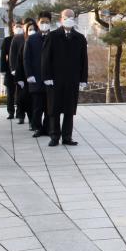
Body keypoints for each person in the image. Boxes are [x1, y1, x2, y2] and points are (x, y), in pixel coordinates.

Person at [41, 9, 88, 147]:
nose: (68, 19)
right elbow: (45, 58)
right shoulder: (53, 36)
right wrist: (46, 76)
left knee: (69, 109)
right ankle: (54, 136)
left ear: (75, 19)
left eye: (71, 17)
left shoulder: (80, 38)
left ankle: (67, 137)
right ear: (61, 19)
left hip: (72, 79)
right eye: (66, 17)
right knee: (54, 109)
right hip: (55, 79)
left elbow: (84, 60)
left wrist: (83, 78)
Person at [24, 12, 51, 137]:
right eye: (42, 22)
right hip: (35, 77)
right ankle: (37, 128)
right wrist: (29, 75)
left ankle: (48, 128)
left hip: (50, 78)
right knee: (37, 106)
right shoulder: (32, 38)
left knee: (49, 106)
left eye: (47, 22)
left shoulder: (53, 38)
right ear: (38, 23)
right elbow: (26, 58)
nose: (44, 24)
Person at [8, 19, 31, 123]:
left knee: (31, 96)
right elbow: (12, 54)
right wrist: (13, 68)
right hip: (20, 70)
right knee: (20, 95)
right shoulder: (17, 38)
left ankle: (31, 118)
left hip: (31, 71)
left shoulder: (34, 38)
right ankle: (20, 115)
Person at [0, 21, 19, 119]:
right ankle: (11, 112)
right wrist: (3, 69)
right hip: (9, 69)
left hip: (22, 70)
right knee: (10, 93)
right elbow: (3, 56)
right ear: (13, 28)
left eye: (20, 26)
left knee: (21, 93)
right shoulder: (7, 40)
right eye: (16, 26)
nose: (18, 28)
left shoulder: (26, 39)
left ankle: (20, 112)